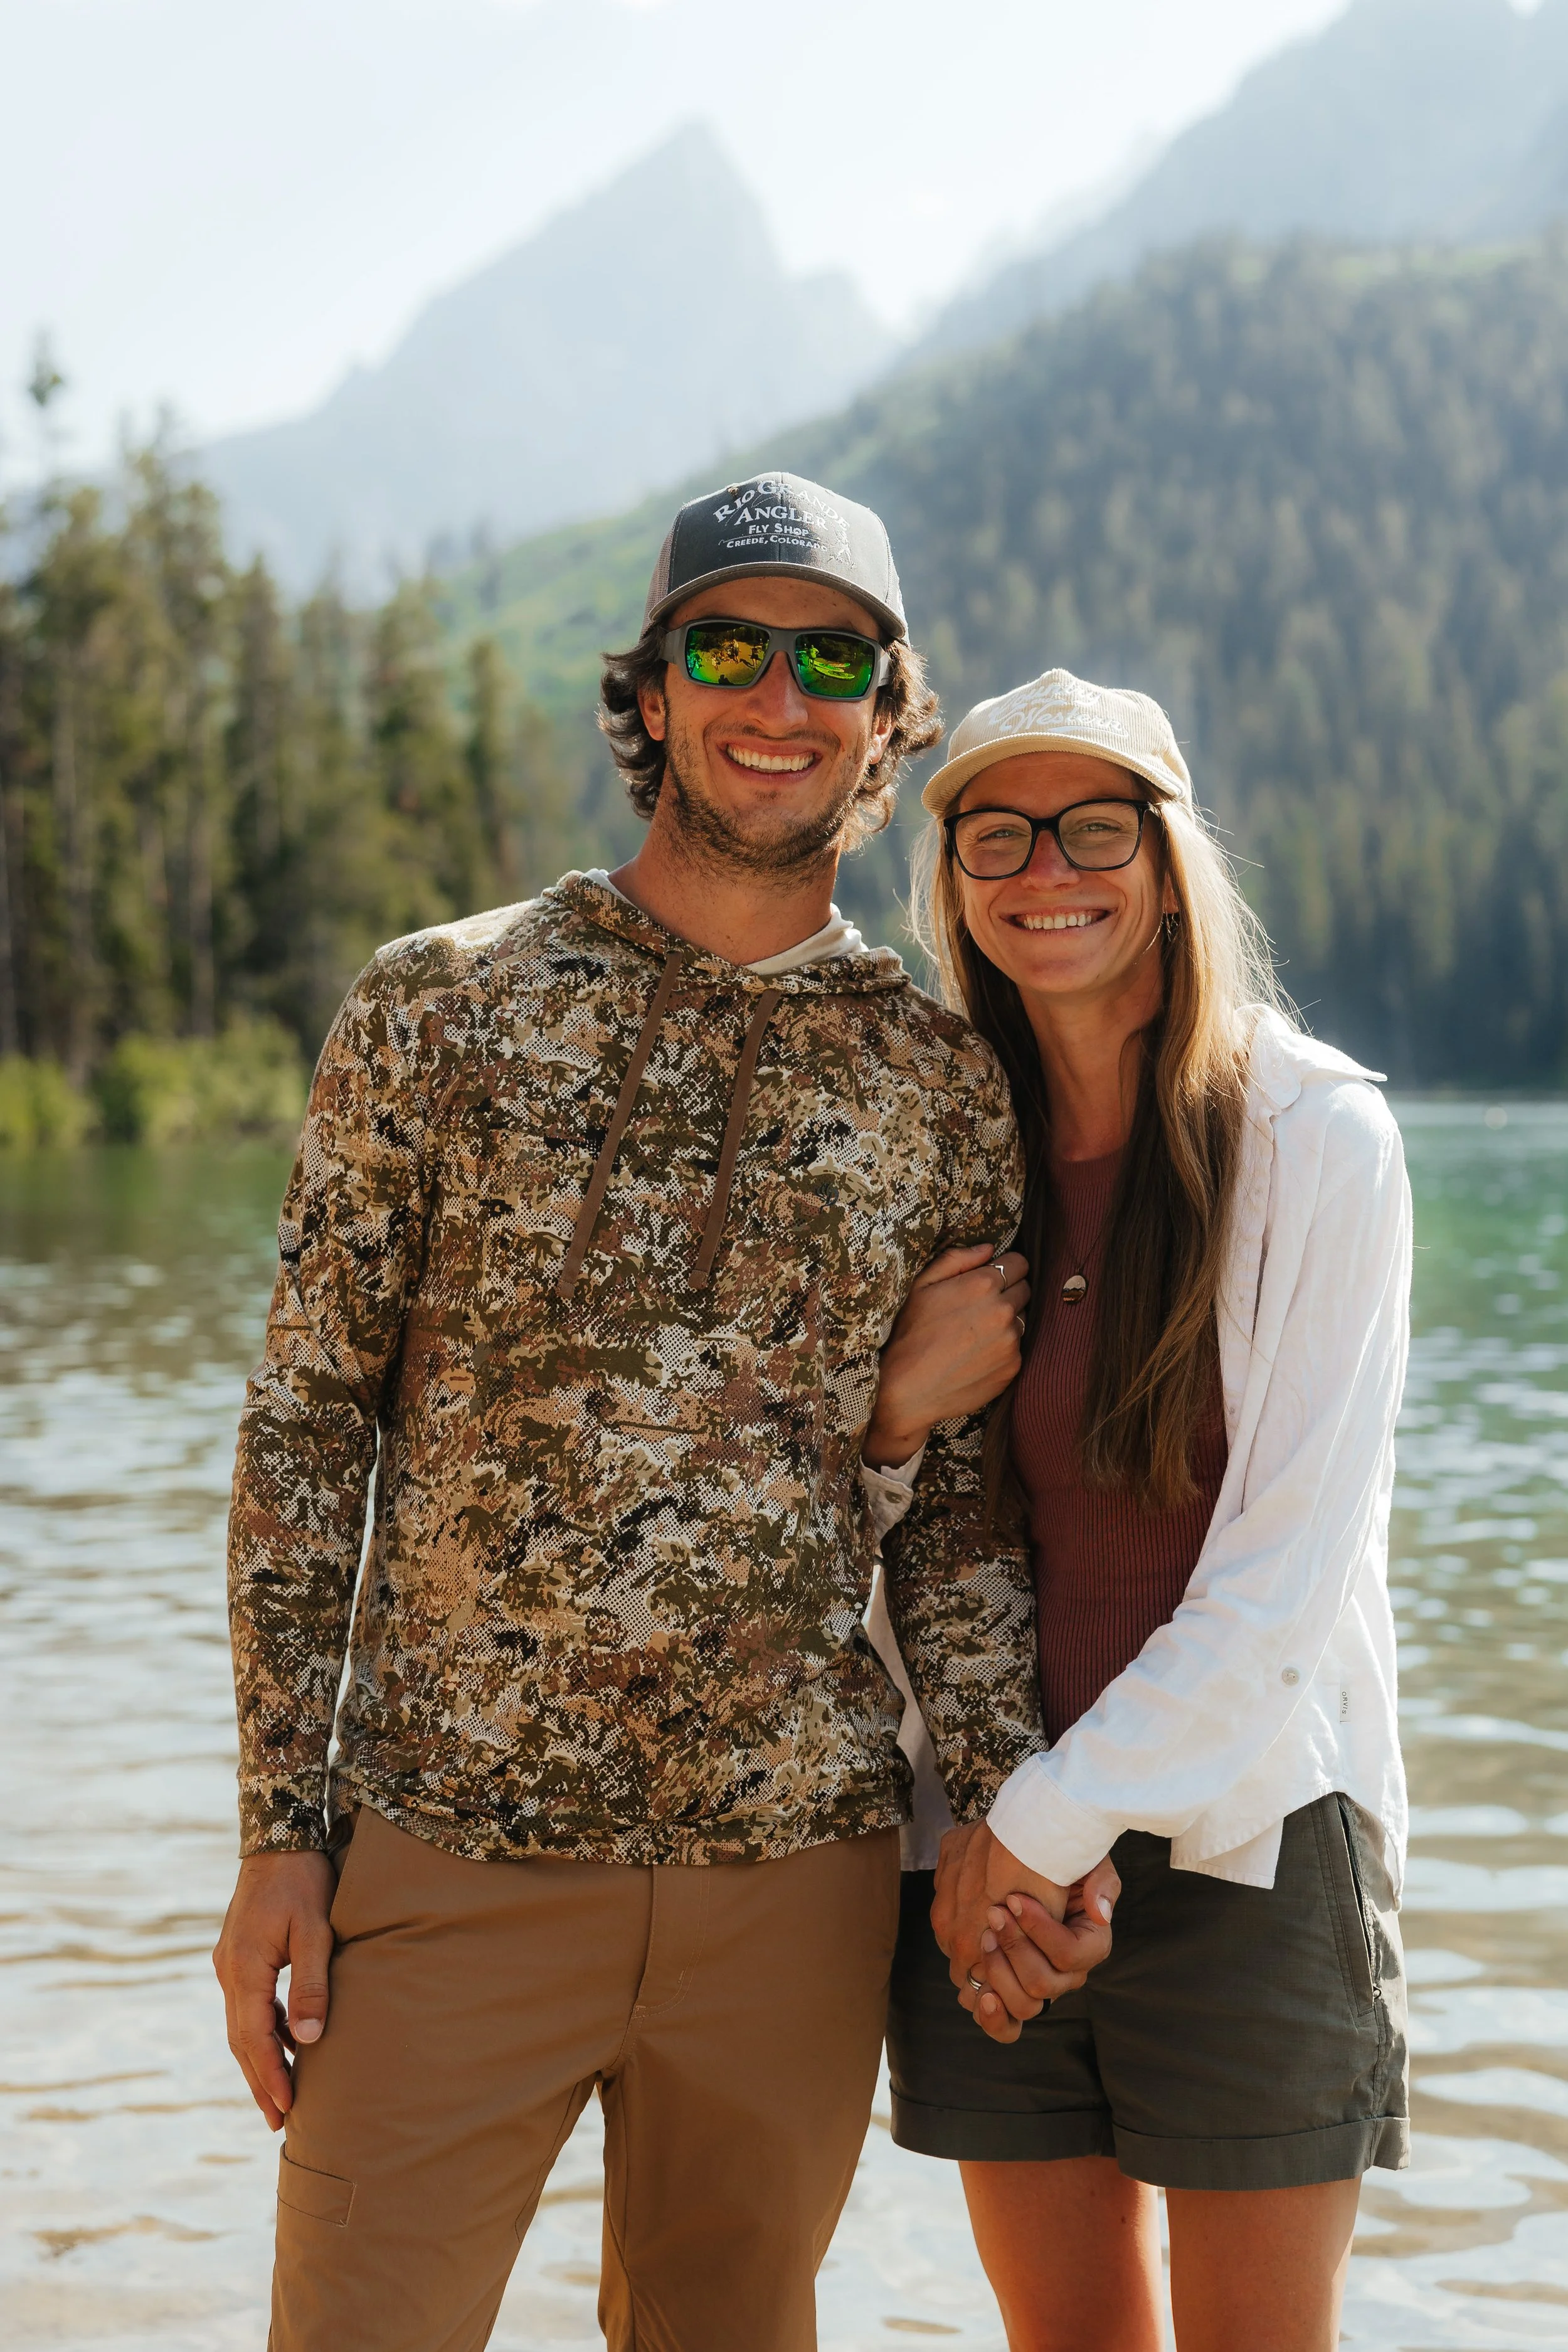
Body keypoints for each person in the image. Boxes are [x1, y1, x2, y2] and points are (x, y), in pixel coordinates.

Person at [212, 474, 1113, 2352]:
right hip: (450, 1857)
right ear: (651, 687)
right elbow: (307, 1434)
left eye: (831, 657)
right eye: (728, 646)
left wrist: (1022, 1810)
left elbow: (955, 1519)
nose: (775, 698)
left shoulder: (939, 1078)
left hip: (791, 1878)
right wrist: (281, 1833)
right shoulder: (439, 1007)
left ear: (886, 710)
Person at [863, 669, 1412, 2352]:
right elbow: (867, 1523)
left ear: (1167, 857)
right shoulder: (940, 1150)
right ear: (950, 876)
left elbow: (1274, 1596)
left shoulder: (1313, 1136)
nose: (1048, 867)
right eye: (996, 832)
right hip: (986, 1861)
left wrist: (1038, 1834)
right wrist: (888, 1409)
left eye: (1094, 824)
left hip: (1236, 1854)